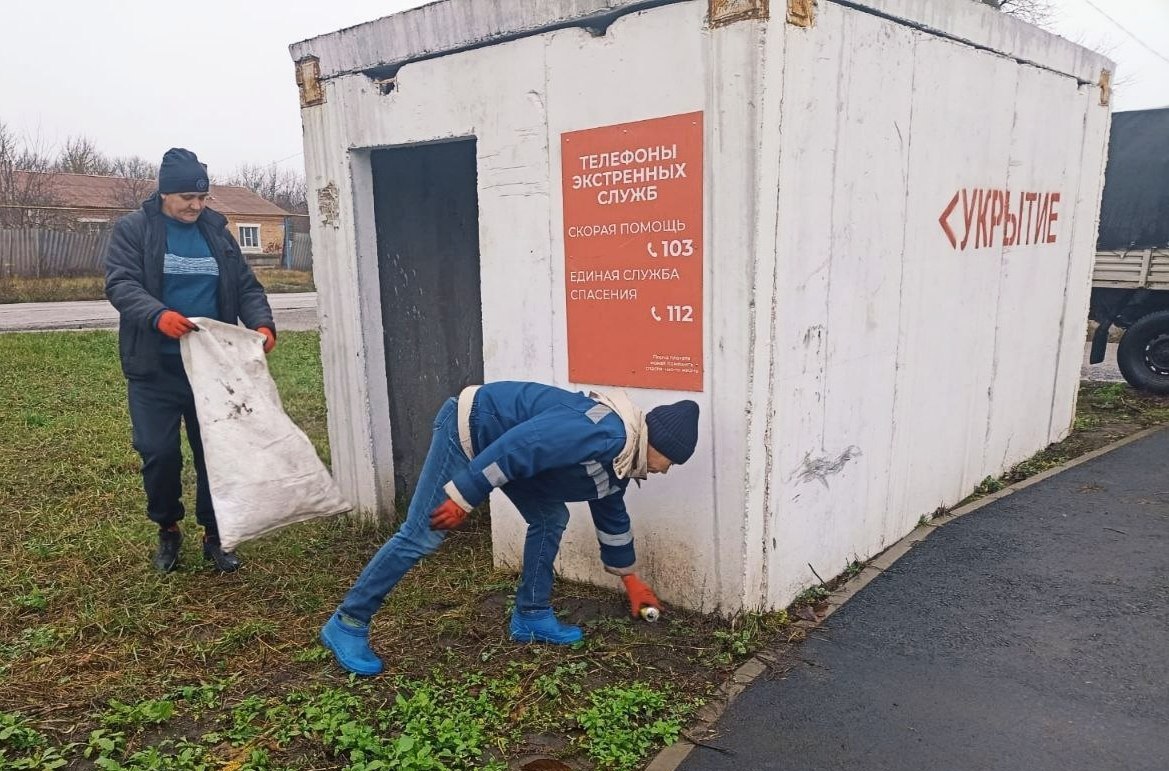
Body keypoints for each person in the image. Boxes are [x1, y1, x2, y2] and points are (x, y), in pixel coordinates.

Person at [320, 380, 700, 676]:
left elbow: (610, 508)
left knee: (552, 517)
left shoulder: (623, 455)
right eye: (670, 461)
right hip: (472, 430)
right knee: (423, 532)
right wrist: (461, 497)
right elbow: (520, 445)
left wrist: (630, 579)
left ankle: (531, 615)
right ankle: (348, 622)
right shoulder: (604, 432)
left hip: (507, 449)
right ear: (656, 442)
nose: (665, 470)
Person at [105, 147, 276, 574]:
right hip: (155, 368)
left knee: (215, 455)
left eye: (202, 198)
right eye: (187, 198)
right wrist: (157, 315)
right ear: (165, 194)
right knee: (158, 452)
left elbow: (247, 287)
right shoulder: (135, 230)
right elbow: (121, 284)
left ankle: (215, 535)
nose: (196, 206)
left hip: (214, 369)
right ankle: (168, 528)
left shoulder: (217, 233)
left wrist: (262, 324)